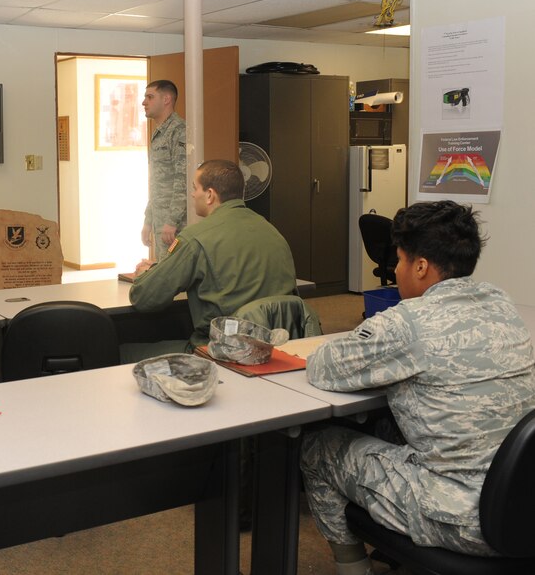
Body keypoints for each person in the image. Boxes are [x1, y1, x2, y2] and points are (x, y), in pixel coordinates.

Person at [300, 200, 535, 575]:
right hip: (523, 505)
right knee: (385, 428)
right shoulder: (502, 304)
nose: (395, 271)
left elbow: (325, 369)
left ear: (421, 266)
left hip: (465, 519)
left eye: (399, 261)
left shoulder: (405, 323)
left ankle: (354, 570)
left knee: (319, 447)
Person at [125, 159, 297, 361]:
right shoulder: (272, 231)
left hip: (220, 354)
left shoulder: (195, 238)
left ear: (209, 195)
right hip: (275, 352)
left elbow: (144, 298)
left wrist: (146, 275)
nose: (192, 194)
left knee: (120, 350)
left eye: (194, 188)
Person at [140, 79, 187, 261]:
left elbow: (182, 178)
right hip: (161, 220)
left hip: (175, 224)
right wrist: (148, 220)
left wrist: (172, 220)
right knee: (164, 272)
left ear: (166, 99)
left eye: (150, 97)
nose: (144, 102)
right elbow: (156, 182)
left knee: (174, 275)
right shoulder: (159, 132)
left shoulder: (179, 131)